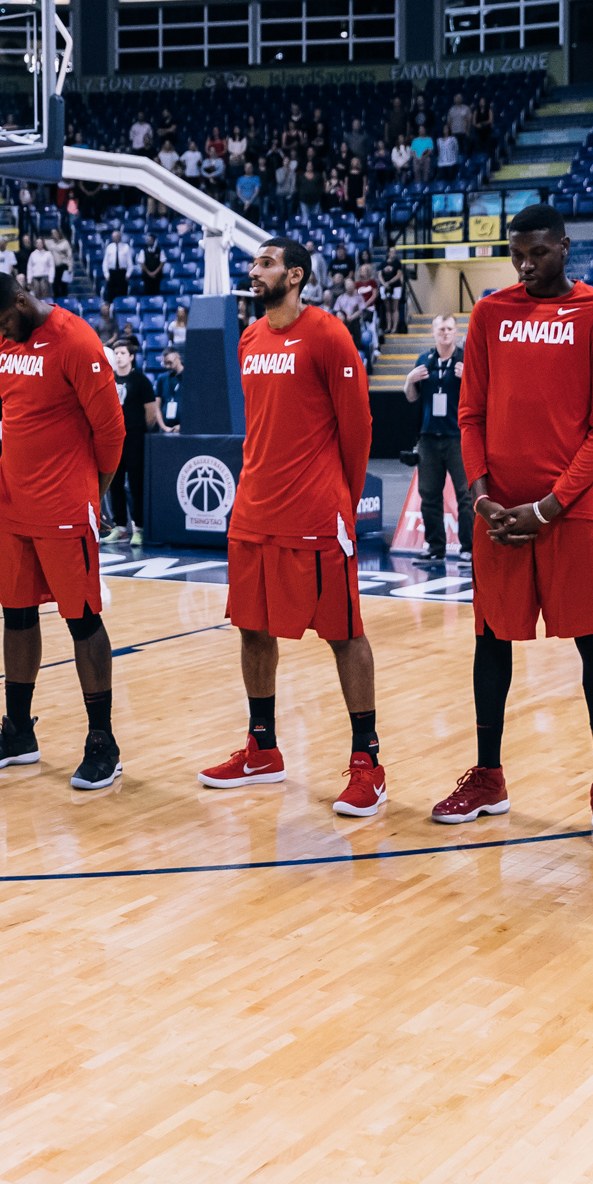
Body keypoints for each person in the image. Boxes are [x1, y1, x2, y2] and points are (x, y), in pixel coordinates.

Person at [434, 204, 593, 849]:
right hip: (498, 513)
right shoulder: (490, 313)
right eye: (517, 254)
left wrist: (551, 506)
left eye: (538, 253)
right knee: (491, 640)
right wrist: (480, 496)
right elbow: (470, 413)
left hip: (570, 514)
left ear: (565, 247)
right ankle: (488, 776)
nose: (525, 264)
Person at [194, 239, 381, 815]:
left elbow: (358, 428)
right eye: (254, 263)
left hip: (316, 513)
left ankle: (368, 762)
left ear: (295, 276)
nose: (255, 271)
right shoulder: (250, 338)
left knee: (344, 635)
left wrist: (343, 501)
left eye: (266, 264)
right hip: (254, 510)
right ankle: (263, 749)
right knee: (252, 630)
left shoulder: (328, 334)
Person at [0, 270, 127, 788]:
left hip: (64, 502)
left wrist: (92, 494)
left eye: (3, 321)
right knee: (16, 615)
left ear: (21, 300)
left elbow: (111, 430)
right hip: (12, 503)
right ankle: (18, 732)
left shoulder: (76, 341)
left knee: (82, 619)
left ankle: (102, 741)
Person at [403, 313, 472, 560]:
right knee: (429, 495)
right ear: (433, 332)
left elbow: (483, 395)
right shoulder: (424, 360)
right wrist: (409, 380)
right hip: (429, 437)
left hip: (458, 437)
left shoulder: (466, 360)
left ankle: (469, 548)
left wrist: (469, 379)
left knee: (466, 495)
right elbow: (412, 397)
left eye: (449, 329)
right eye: (440, 329)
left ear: (456, 332)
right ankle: (435, 548)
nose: (445, 333)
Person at [104, 341, 158, 541]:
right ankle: (119, 526)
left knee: (136, 483)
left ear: (131, 357)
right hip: (113, 438)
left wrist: (139, 429)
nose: (118, 356)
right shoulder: (108, 378)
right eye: (116, 353)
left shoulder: (140, 380)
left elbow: (151, 412)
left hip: (134, 437)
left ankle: (139, 528)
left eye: (122, 353)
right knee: (115, 482)